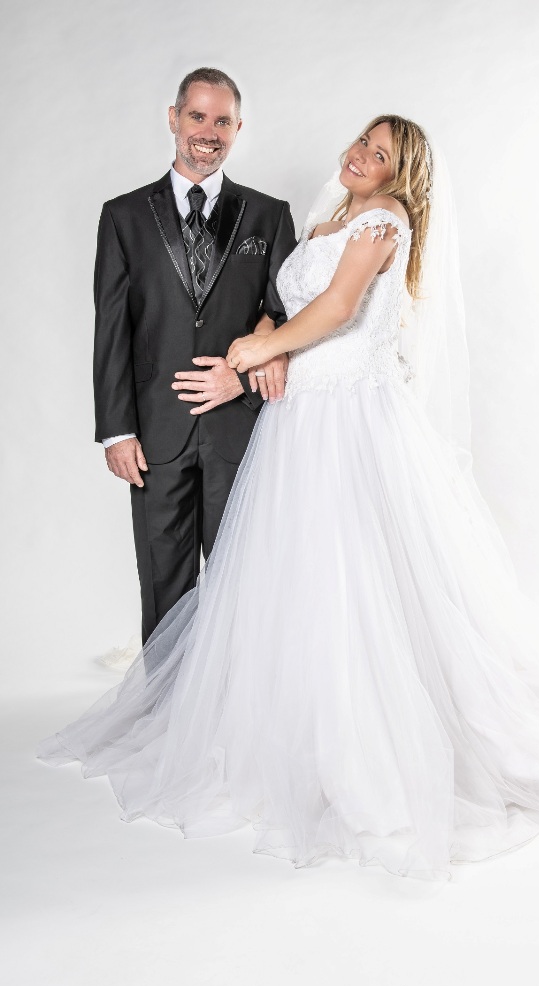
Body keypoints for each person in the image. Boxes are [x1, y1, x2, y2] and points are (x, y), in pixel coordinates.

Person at [39, 115, 539, 880]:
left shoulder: (384, 218)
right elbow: (288, 301)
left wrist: (257, 351)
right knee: (301, 577)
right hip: (300, 415)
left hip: (346, 417)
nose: (359, 155)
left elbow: (338, 308)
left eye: (379, 154)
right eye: (361, 142)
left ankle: (366, 744)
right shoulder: (330, 217)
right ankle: (292, 722)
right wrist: (269, 333)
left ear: (398, 173)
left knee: (355, 575)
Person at [95, 68, 296, 642]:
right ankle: (166, 697)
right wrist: (116, 432)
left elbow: (287, 317)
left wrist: (242, 376)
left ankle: (240, 691)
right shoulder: (124, 216)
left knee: (245, 582)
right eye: (198, 116)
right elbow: (112, 327)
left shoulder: (268, 215)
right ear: (174, 118)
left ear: (238, 128)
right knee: (163, 583)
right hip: (155, 433)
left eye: (223, 121)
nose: (209, 132)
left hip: (240, 430)